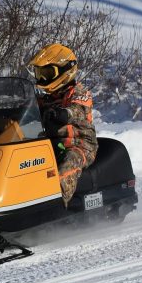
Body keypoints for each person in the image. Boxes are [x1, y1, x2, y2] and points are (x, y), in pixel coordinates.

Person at [28, 43, 98, 207]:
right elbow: (29, 107)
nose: (42, 79)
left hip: (79, 145)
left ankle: (56, 208)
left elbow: (78, 109)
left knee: (66, 168)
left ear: (65, 71)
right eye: (40, 74)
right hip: (51, 144)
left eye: (47, 73)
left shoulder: (79, 93)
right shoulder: (46, 97)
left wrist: (64, 113)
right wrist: (9, 112)